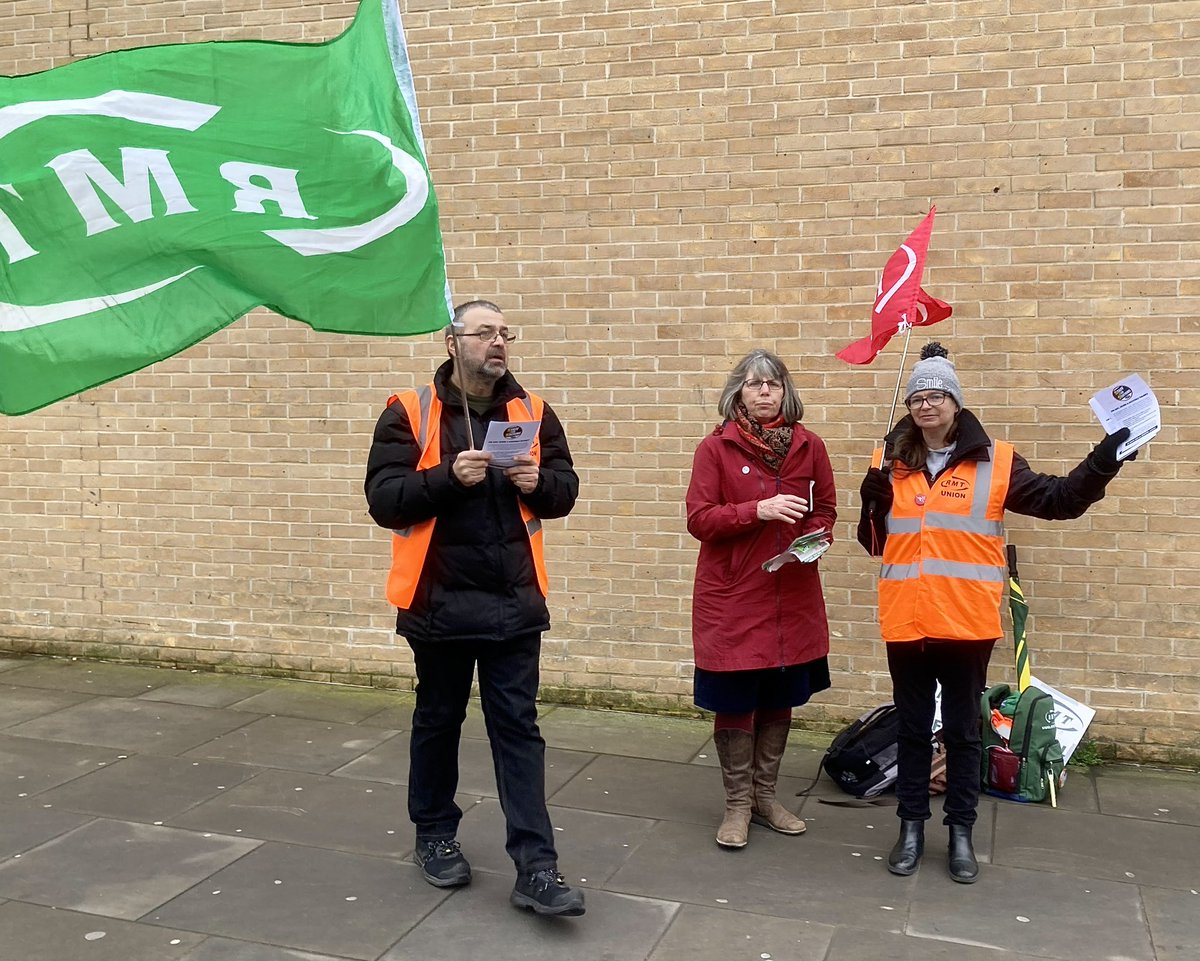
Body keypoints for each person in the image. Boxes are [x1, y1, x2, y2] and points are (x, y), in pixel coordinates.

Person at [856, 341, 1138, 884]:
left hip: (965, 624)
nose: (926, 404)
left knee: (962, 732)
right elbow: (875, 544)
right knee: (914, 730)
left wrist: (1105, 460)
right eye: (918, 396)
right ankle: (910, 827)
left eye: (937, 394)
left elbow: (1060, 500)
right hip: (906, 619)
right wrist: (872, 504)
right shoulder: (887, 461)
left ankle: (961, 832)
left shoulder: (997, 460)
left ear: (955, 403)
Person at [364, 300, 585, 917]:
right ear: (451, 341)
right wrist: (444, 478)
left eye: (504, 333)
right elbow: (384, 500)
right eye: (485, 331)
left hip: (514, 602)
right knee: (438, 721)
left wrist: (540, 483)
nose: (499, 342)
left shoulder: (533, 411)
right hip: (437, 602)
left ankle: (537, 868)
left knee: (519, 730)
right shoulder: (408, 411)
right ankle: (434, 835)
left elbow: (566, 487)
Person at [685, 349, 838, 849]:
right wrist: (759, 509)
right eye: (753, 384)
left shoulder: (810, 446)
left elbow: (826, 510)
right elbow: (700, 519)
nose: (764, 391)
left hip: (790, 592)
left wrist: (815, 538)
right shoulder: (716, 449)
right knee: (735, 697)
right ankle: (736, 806)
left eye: (772, 383)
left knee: (779, 694)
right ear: (739, 393)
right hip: (734, 595)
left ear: (785, 391)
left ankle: (766, 797)